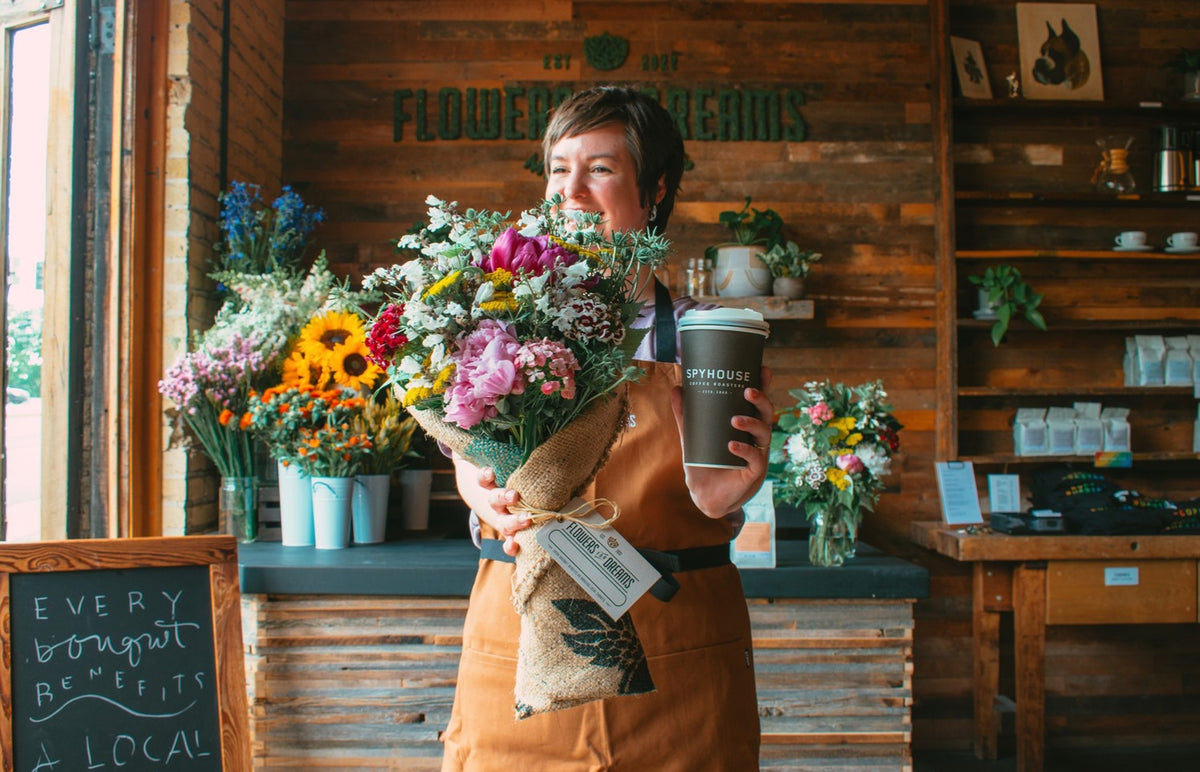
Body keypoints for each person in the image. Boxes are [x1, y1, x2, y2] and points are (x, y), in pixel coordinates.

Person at [440, 85, 775, 770]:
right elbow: (473, 459)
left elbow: (714, 492)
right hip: (524, 641)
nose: (573, 191)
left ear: (655, 189)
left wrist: (723, 501)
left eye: (600, 169)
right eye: (560, 169)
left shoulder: (708, 338)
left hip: (675, 646)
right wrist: (478, 494)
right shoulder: (501, 327)